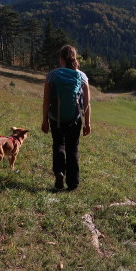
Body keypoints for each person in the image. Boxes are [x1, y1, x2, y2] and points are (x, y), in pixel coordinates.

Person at [41, 45, 91, 191]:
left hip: (55, 118)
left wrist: (44, 120)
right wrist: (87, 123)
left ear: (61, 58)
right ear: (75, 58)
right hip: (74, 119)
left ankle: (59, 172)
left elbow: (46, 101)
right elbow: (86, 104)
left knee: (58, 145)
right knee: (72, 148)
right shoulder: (82, 76)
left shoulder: (52, 75)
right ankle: (73, 183)